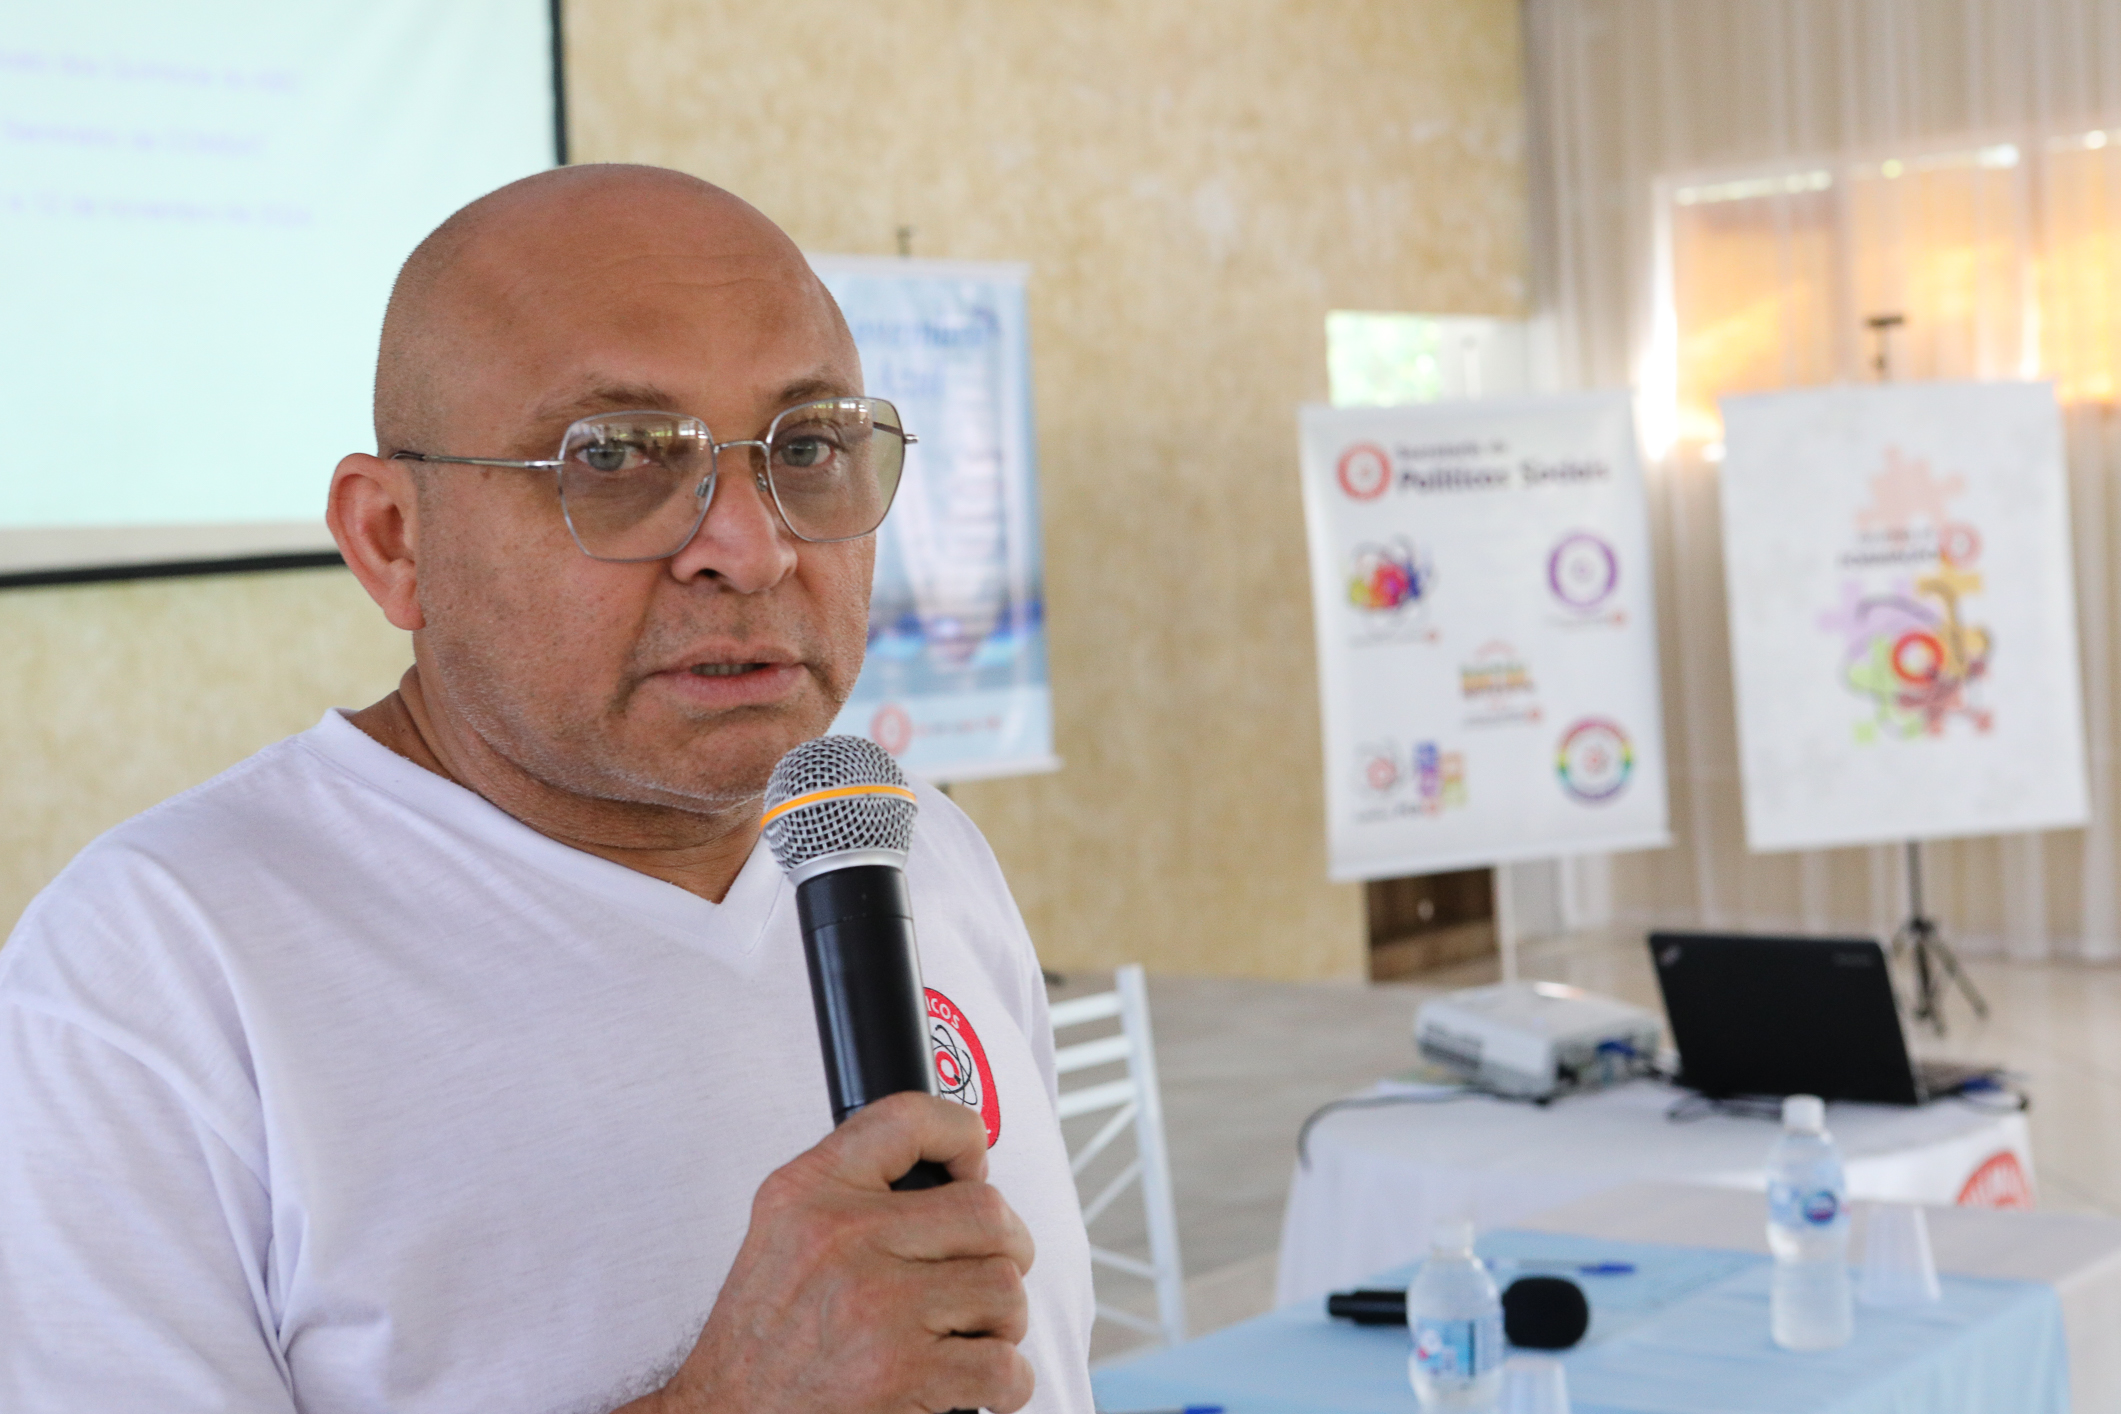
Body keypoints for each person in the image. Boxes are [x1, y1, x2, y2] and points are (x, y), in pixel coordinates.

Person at [0, 164, 1095, 1414]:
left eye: (810, 446)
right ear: (392, 540)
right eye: (616, 455)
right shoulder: (154, 975)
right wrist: (730, 1401)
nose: (752, 546)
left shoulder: (914, 851)